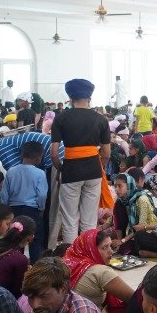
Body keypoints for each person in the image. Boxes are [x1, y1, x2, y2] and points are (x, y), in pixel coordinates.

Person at [51, 79, 111, 246]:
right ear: (89, 98)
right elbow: (106, 153)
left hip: (70, 170)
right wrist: (99, 166)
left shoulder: (61, 118)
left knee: (70, 219)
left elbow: (54, 153)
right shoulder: (101, 119)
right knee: (89, 220)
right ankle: (88, 254)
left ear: (71, 98)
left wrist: (61, 169)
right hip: (93, 170)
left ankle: (71, 255)